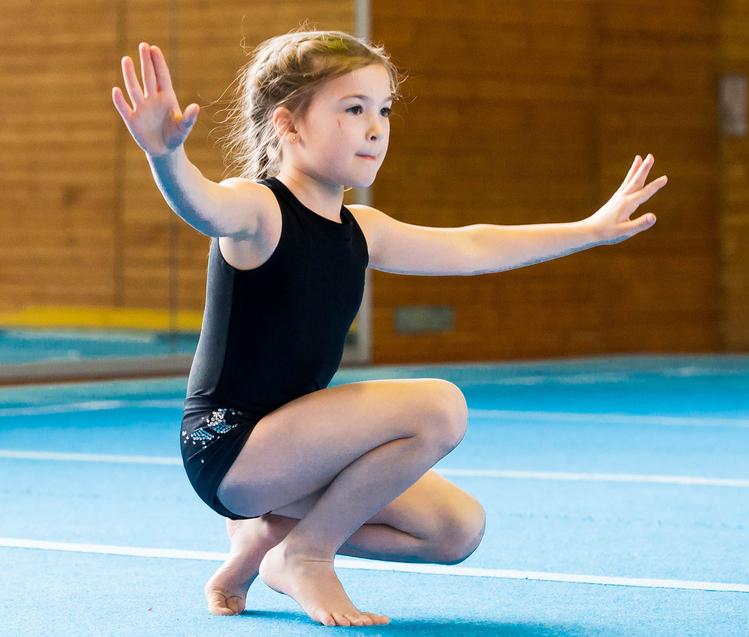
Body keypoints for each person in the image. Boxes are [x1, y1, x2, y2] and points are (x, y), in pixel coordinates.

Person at [112, 30, 667, 627]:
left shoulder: (361, 228)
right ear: (289, 124)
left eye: (384, 110)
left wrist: (590, 229)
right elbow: (202, 205)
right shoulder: (258, 209)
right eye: (353, 109)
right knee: (438, 407)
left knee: (456, 531)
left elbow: (473, 245)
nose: (375, 127)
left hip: (295, 453)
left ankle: (266, 543)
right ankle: (307, 552)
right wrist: (166, 157)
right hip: (231, 448)